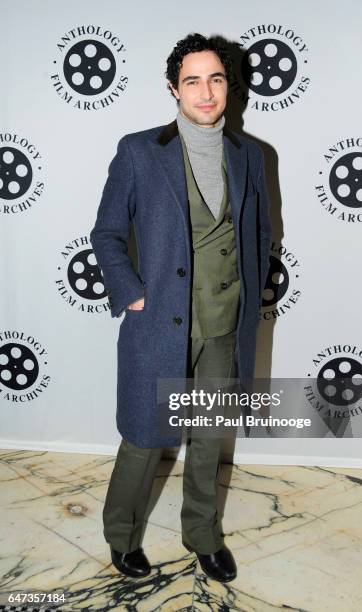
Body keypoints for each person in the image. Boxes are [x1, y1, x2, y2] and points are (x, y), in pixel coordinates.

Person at [90, 32, 272, 583]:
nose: (206, 91)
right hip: (158, 322)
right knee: (145, 437)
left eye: (215, 78)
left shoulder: (251, 155)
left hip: (224, 322)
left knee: (209, 437)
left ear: (228, 85)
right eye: (192, 80)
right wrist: (133, 294)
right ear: (175, 88)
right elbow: (106, 234)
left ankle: (203, 535)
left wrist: (249, 295)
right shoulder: (139, 150)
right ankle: (121, 537)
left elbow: (259, 233)